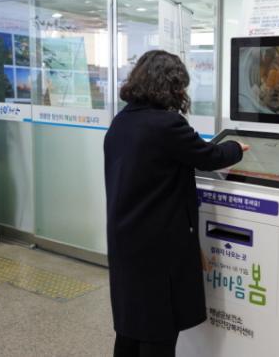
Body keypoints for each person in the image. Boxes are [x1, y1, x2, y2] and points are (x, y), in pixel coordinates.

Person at [103, 50, 248, 357]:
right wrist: (237, 147)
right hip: (157, 245)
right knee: (159, 327)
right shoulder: (166, 125)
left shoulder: (122, 121)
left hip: (125, 237)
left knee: (130, 324)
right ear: (170, 85)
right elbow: (209, 157)